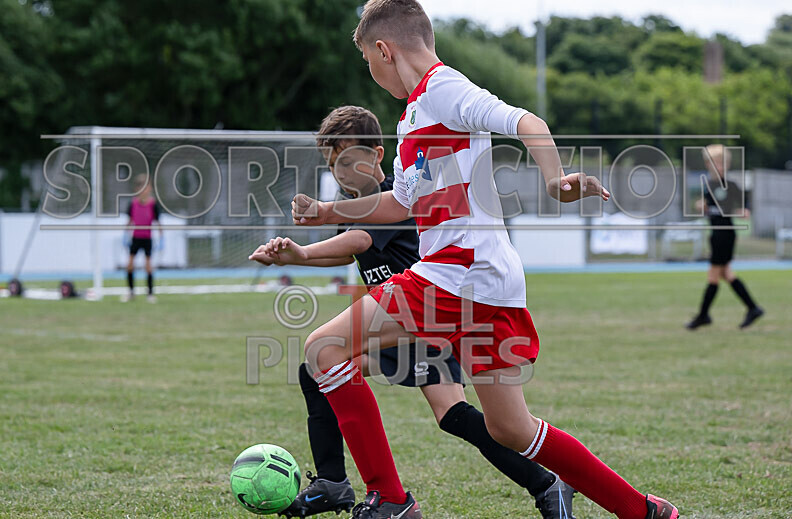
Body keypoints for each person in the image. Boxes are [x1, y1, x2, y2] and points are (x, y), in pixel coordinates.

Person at [289, 2, 680, 519]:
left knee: (323, 350)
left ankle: (390, 499)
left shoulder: (443, 89)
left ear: (383, 50)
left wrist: (555, 181)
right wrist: (327, 211)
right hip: (488, 281)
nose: (371, 70)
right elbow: (399, 205)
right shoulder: (411, 119)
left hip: (457, 273)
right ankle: (644, 512)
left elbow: (526, 122)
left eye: (367, 60)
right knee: (511, 429)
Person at [250, 106, 576, 519]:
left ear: (379, 154)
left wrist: (301, 252)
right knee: (328, 373)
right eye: (334, 164)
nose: (342, 172)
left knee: (448, 412)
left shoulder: (391, 196)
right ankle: (334, 483)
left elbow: (359, 239)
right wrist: (295, 258)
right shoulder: (353, 203)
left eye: (350, 160)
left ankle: (545, 483)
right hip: (403, 325)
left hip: (425, 317)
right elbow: (351, 249)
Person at [687, 144, 764, 330]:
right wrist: (701, 207)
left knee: (714, 275)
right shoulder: (708, 186)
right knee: (726, 274)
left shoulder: (731, 185)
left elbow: (745, 206)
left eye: (721, 162)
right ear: (707, 164)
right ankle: (753, 308)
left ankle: (703, 315)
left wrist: (744, 210)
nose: (718, 166)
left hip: (725, 234)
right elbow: (706, 208)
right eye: (713, 162)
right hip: (715, 233)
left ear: (727, 164)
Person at [123, 174, 161, 303]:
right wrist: (125, 234)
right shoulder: (133, 204)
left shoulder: (153, 205)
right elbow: (129, 221)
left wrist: (162, 238)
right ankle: (131, 292)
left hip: (147, 238)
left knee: (148, 266)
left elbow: (158, 222)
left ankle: (150, 294)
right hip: (135, 238)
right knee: (129, 265)